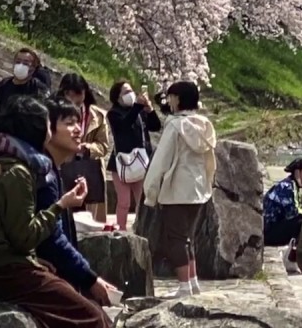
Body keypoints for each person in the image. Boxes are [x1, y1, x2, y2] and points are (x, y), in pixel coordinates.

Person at [0, 96, 108, 328]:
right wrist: (61, 206)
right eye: (48, 124)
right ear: (35, 129)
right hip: (3, 271)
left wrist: (35, 261)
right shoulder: (19, 172)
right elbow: (24, 237)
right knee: (93, 317)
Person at [143, 81, 216, 299]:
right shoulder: (204, 125)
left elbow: (161, 161)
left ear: (178, 99)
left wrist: (151, 190)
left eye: (171, 97)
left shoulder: (175, 126)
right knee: (188, 238)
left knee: (175, 239)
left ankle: (184, 287)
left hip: (176, 190)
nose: (169, 101)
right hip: (198, 188)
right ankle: (192, 283)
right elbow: (210, 160)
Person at [106, 78, 161, 231]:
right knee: (124, 202)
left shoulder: (139, 111)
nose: (130, 94)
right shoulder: (114, 114)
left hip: (141, 161)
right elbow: (124, 125)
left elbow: (155, 126)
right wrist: (137, 106)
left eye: (131, 91)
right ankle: (121, 230)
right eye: (125, 92)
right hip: (121, 164)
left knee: (142, 200)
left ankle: (143, 229)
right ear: (117, 97)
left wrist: (149, 110)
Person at [59, 74, 111, 223]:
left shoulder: (98, 116)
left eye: (78, 94)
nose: (74, 99)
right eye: (69, 94)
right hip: (63, 165)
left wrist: (87, 148)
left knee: (88, 217)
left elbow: (103, 145)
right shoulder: (54, 112)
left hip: (89, 168)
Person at [263, 158, 302, 247]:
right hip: (269, 233)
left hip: (272, 229)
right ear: (297, 173)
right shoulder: (287, 187)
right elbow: (292, 213)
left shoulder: (291, 185)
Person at [0, 48, 51, 117]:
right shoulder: (2, 85)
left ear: (33, 68)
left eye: (26, 63)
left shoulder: (39, 90)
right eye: (18, 62)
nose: (20, 66)